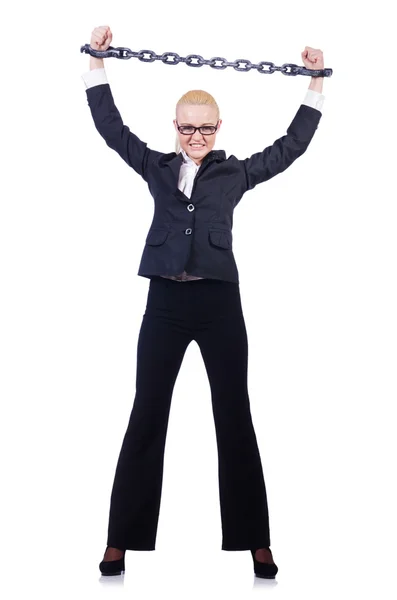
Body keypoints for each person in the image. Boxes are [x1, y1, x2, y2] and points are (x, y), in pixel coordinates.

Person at [82, 25, 326, 579]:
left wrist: (314, 83)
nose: (196, 136)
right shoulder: (158, 168)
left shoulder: (234, 174)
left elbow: (290, 149)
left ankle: (256, 541)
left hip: (220, 307)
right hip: (164, 305)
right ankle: (120, 539)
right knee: (147, 414)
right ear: (175, 127)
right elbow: (111, 129)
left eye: (205, 129)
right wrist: (97, 63)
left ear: (217, 130)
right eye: (188, 128)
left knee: (234, 416)